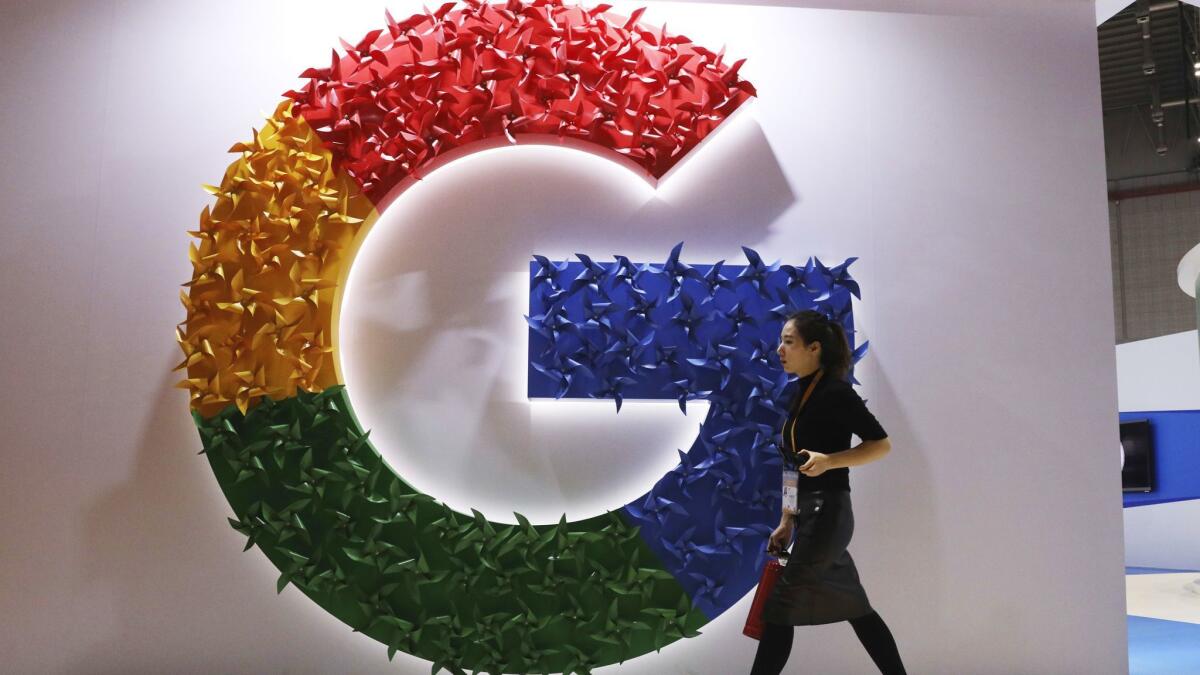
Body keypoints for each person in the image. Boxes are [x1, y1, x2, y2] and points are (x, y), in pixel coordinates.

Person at [749, 310, 907, 675]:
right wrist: (787, 518)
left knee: (779, 608)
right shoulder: (801, 393)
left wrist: (830, 460)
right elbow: (792, 461)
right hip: (810, 514)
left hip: (828, 513)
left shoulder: (836, 392)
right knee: (858, 610)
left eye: (789, 341)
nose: (779, 350)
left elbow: (880, 445)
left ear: (814, 348)